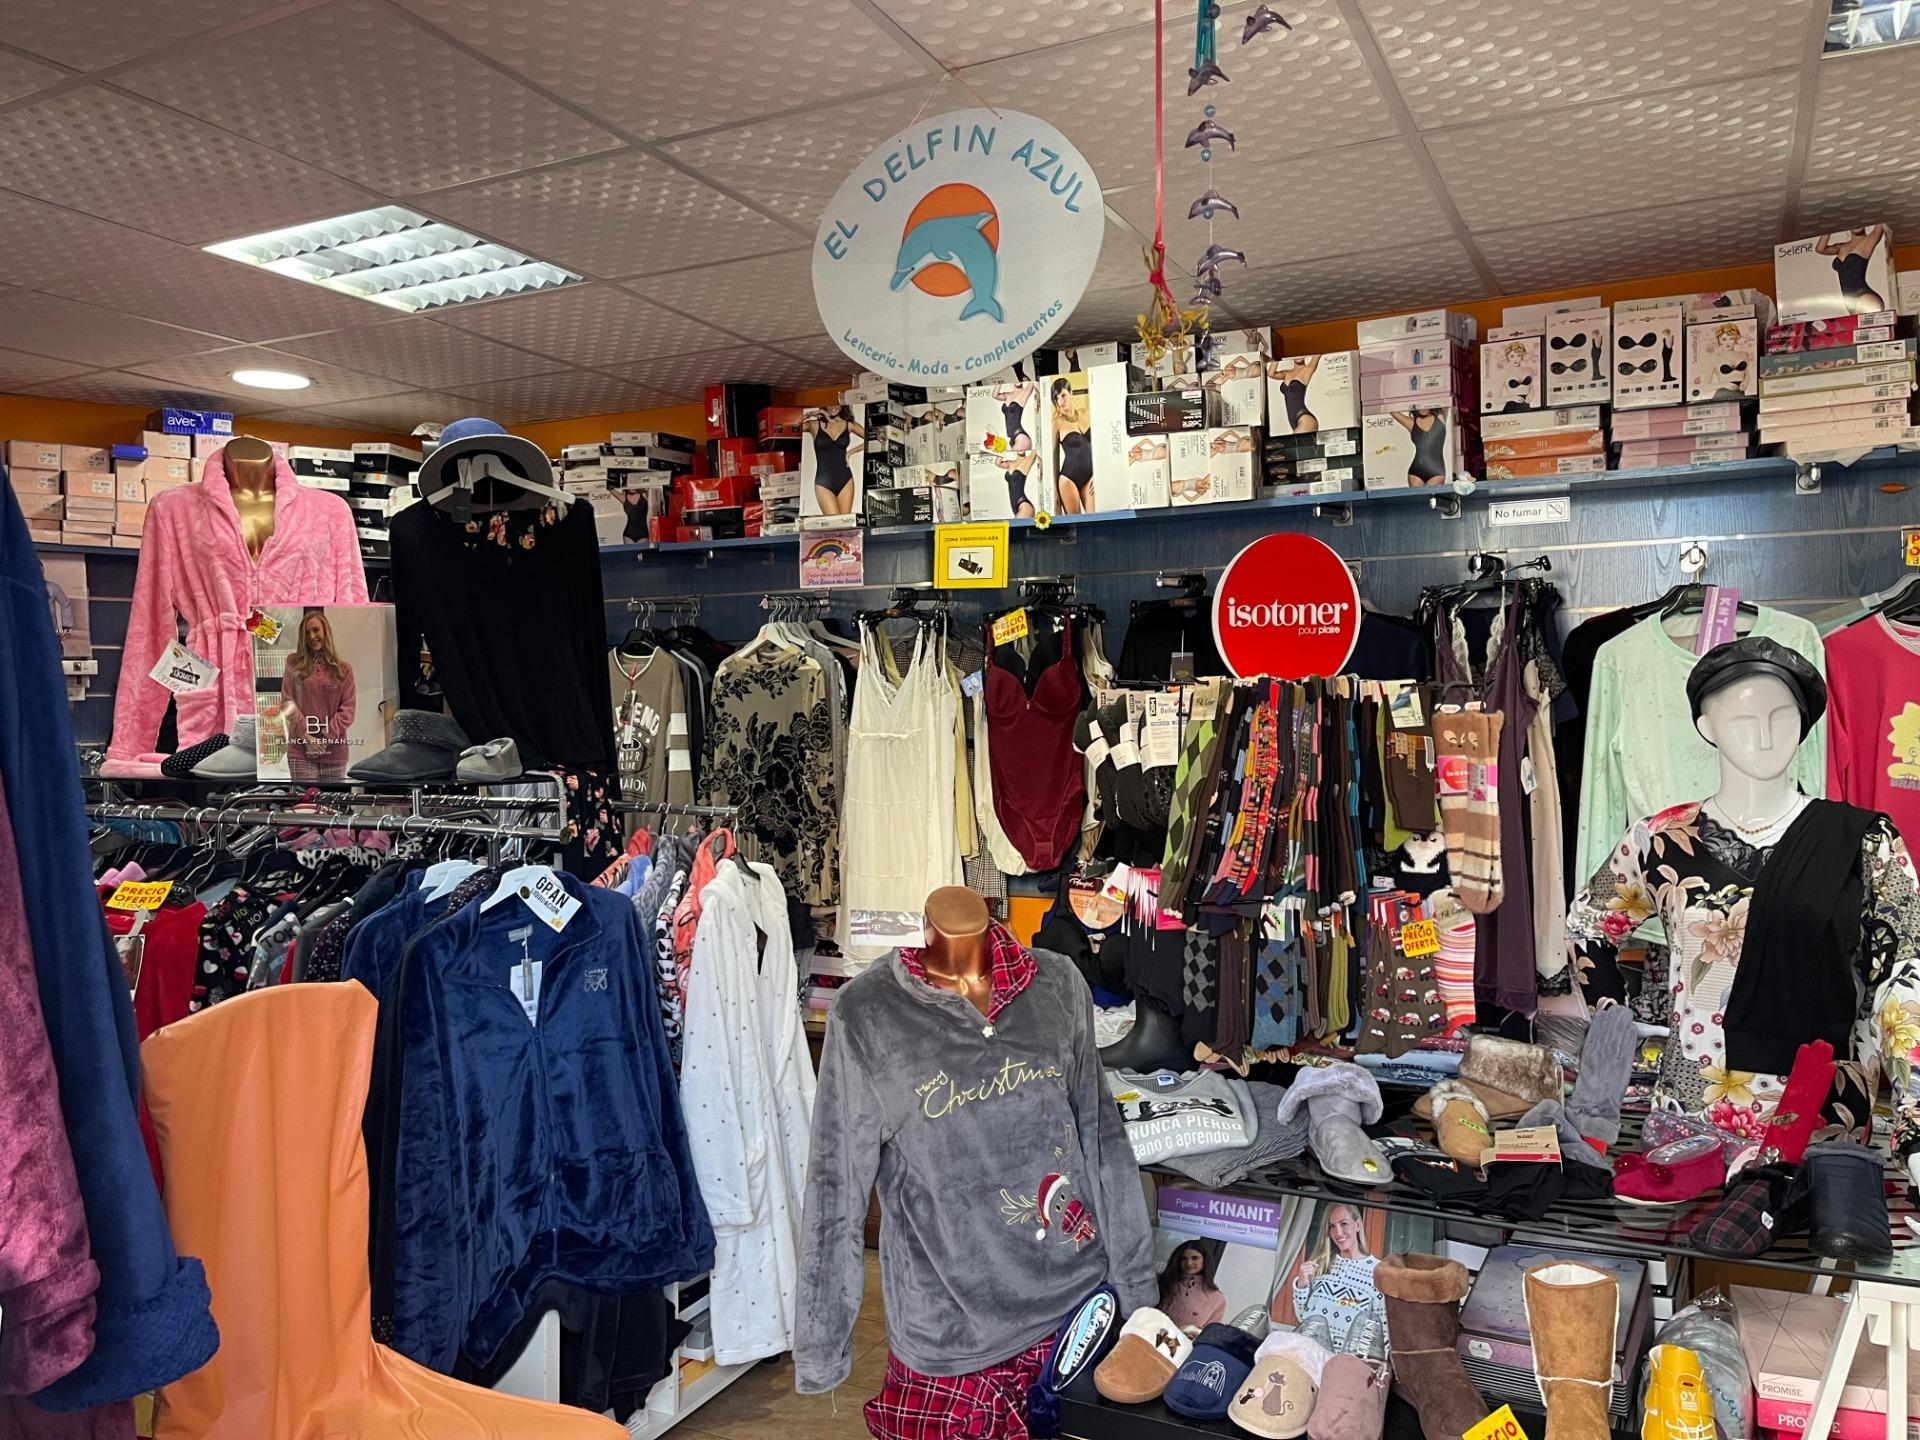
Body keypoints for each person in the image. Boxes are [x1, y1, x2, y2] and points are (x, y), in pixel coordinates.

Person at [1283, 1203, 1386, 1355]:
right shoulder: (1320, 1265)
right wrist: (1301, 1284)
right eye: (1332, 1226)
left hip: (1343, 1364)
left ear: (1357, 1225)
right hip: (1307, 1356)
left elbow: (1383, 1332)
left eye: (1344, 1224)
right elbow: (1302, 1317)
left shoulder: (1378, 1272)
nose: (1338, 1233)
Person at [279, 608, 356, 783]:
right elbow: (287, 702)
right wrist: (306, 737)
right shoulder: (293, 663)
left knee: (332, 801)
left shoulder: (344, 669)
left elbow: (348, 710)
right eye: (307, 633)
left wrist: (324, 739)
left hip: (335, 752)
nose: (312, 636)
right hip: (301, 750)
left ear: (325, 631)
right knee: (306, 801)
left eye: (316, 630)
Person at [804, 405, 864, 516]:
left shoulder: (848, 424)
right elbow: (789, 426)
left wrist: (850, 452)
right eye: (829, 403)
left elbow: (873, 437)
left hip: (846, 480)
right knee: (833, 523)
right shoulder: (814, 425)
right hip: (823, 484)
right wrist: (811, 414)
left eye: (836, 403)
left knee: (845, 523)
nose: (832, 407)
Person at [1816, 225, 1890, 312]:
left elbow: (1880, 225)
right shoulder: (1841, 247)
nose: (1857, 224)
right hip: (1850, 302)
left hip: (1864, 297)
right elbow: (1820, 249)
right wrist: (1830, 227)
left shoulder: (1869, 240)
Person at [1158, 1241, 1226, 1334]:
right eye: (1184, 1258)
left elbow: (1209, 1334)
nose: (1189, 1263)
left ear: (1205, 1260)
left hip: (1181, 1342)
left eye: (1195, 1258)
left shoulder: (1216, 1298)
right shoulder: (1162, 1281)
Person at [1051, 377, 1094, 514]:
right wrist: (1054, 492)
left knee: (1095, 519)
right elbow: (1053, 459)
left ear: (1071, 393)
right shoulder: (1057, 422)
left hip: (1090, 477)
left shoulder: (1086, 413)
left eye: (1063, 395)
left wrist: (1098, 473)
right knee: (1076, 523)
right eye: (1056, 398)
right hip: (1068, 480)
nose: (1060, 401)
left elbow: (1100, 445)